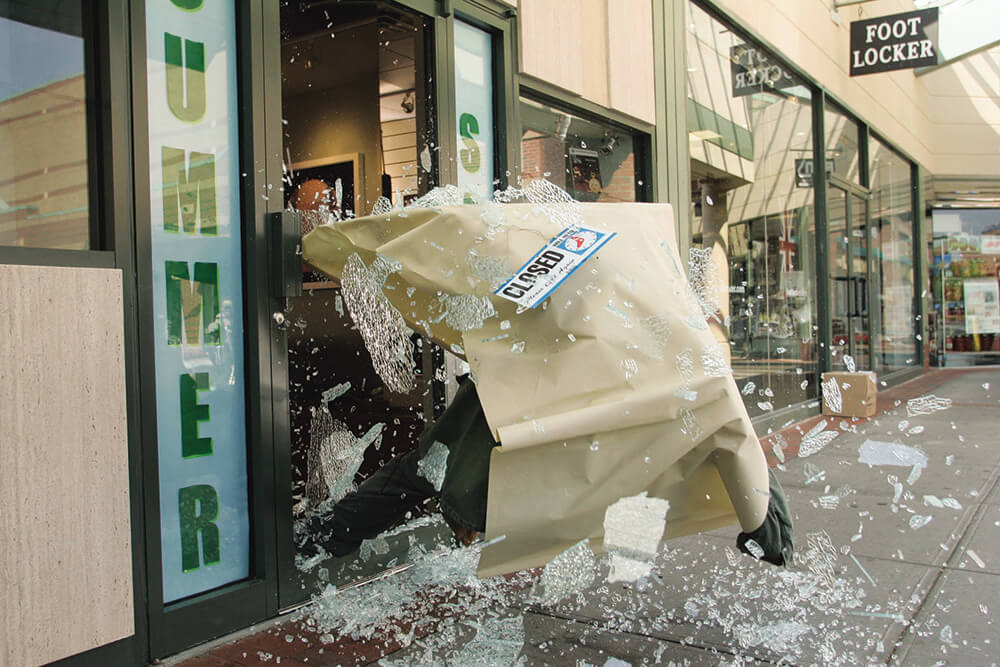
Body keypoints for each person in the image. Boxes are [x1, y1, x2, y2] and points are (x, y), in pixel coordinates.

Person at [305, 373, 793, 567]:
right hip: (506, 414)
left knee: (425, 473)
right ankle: (323, 536)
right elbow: (728, 433)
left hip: (503, 409)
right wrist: (760, 519)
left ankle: (322, 537)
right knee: (430, 473)